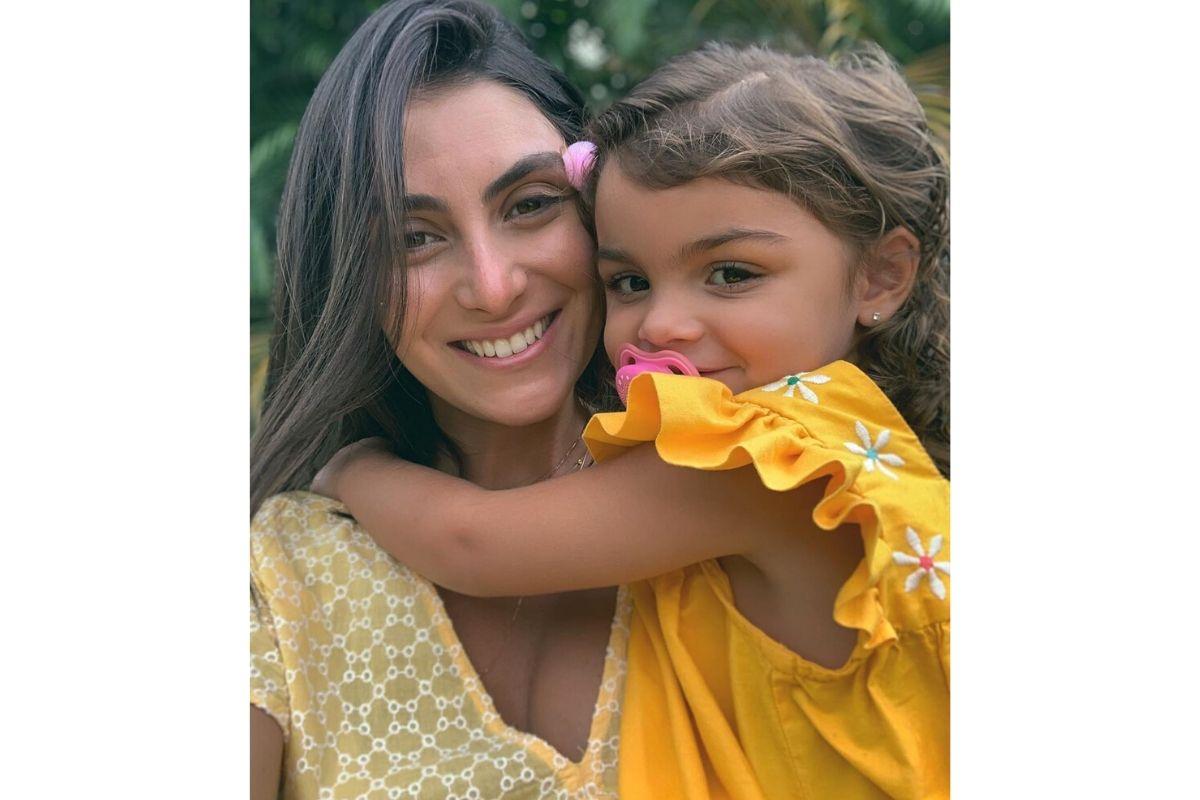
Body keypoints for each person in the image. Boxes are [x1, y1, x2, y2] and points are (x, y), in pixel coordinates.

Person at [316, 42, 951, 799]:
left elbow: (473, 543)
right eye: (630, 281)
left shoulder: (771, 464)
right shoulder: (854, 444)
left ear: (881, 276)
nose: (662, 324)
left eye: (731, 274)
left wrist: (351, 468)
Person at [249, 1, 633, 797]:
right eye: (413, 239)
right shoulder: (278, 578)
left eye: (530, 203)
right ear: (348, 279)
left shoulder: (742, 487)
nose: (493, 288)